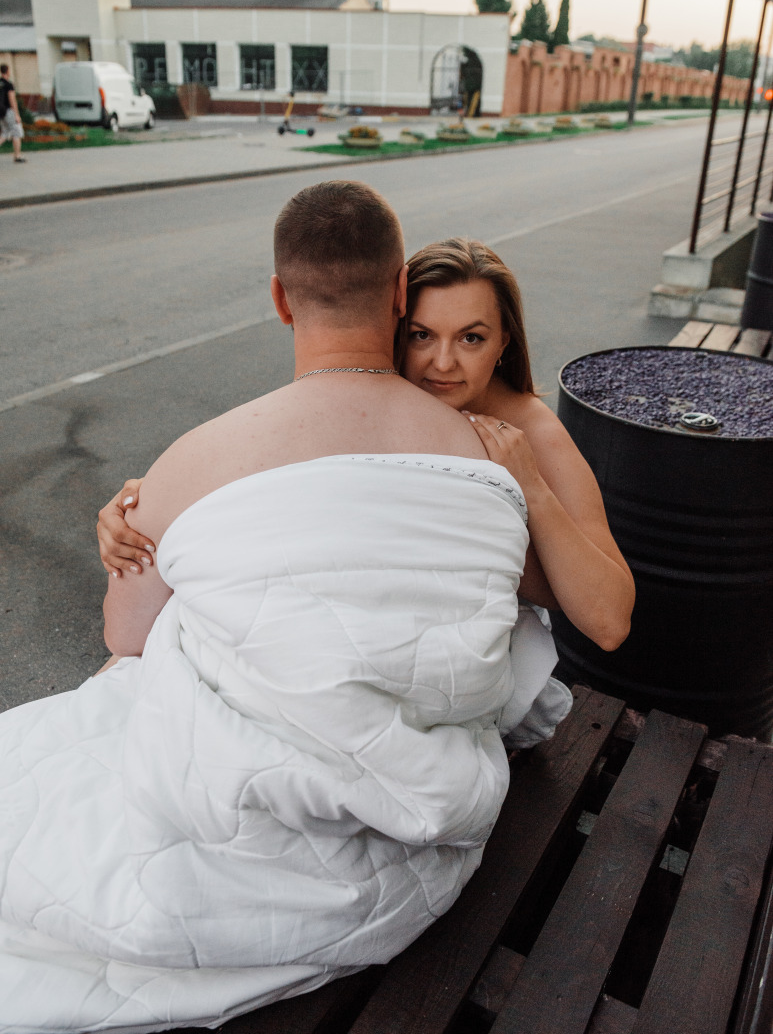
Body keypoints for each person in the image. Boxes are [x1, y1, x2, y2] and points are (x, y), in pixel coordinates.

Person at [0, 180, 573, 1033]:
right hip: (421, 841)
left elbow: (126, 637)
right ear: (394, 295)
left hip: (242, 850)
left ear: (278, 299)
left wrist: (151, 526)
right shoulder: (486, 458)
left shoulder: (196, 459)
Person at [101, 238, 634, 653]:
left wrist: (531, 489)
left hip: (472, 646)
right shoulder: (375, 393)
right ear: (395, 323)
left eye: (471, 338)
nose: (443, 363)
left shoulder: (530, 432)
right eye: (422, 335)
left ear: (503, 344)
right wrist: (146, 508)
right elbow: (263, 460)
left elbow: (609, 623)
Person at [0, 63, 26, 163]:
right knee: (17, 131)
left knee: (5, 133)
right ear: (7, 71)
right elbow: (12, 100)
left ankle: (17, 156)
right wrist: (17, 115)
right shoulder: (8, 84)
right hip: (8, 111)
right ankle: (17, 156)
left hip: (1, 112)